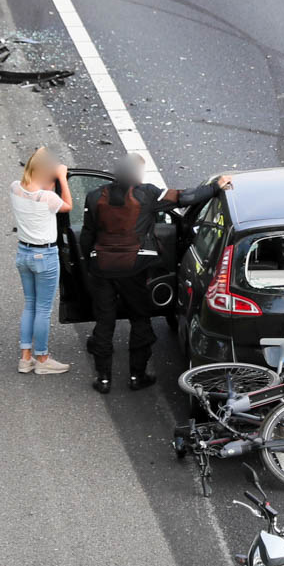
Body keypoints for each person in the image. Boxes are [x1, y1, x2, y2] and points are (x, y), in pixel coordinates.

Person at [79, 154, 233, 393]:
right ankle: (136, 376)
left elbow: (87, 235)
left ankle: (104, 379)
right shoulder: (147, 194)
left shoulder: (95, 195)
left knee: (104, 322)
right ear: (135, 174)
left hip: (102, 268)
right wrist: (216, 186)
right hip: (134, 268)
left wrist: (88, 264)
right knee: (140, 320)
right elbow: (185, 197)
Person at [9, 147, 72, 375]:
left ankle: (25, 358)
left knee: (30, 304)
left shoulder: (15, 188)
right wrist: (63, 177)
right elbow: (67, 206)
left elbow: (38, 190)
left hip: (23, 254)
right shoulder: (47, 198)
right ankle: (43, 358)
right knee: (43, 310)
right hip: (44, 256)